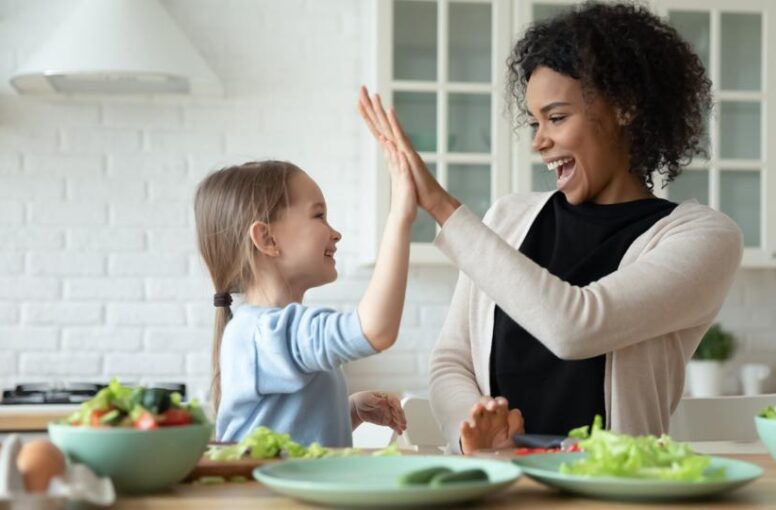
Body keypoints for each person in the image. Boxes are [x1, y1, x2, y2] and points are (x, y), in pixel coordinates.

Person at [358, 0, 742, 454]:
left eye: (556, 118)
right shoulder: (507, 219)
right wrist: (473, 431)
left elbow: (575, 326)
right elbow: (451, 360)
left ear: (624, 107)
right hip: (500, 481)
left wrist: (440, 206)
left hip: (618, 485)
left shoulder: (702, 237)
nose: (539, 141)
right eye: (535, 122)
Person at [193, 142, 414, 446]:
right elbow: (375, 330)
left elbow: (295, 432)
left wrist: (350, 410)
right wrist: (400, 217)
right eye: (319, 215)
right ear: (267, 239)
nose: (335, 233)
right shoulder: (264, 333)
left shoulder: (274, 332)